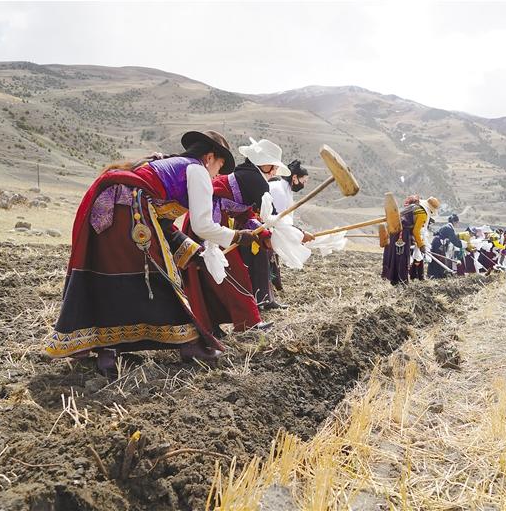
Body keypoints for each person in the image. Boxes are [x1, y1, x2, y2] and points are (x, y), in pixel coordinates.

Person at [47, 130, 256, 373]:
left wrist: (194, 253)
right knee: (160, 278)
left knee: (110, 279)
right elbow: (202, 225)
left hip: (114, 213)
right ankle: (189, 344)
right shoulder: (197, 170)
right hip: (131, 216)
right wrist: (237, 236)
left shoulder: (166, 166)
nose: (217, 174)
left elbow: (163, 225)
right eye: (219, 166)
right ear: (209, 157)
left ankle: (108, 351)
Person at [227, 138, 291, 310]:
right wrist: (294, 232)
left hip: (250, 223)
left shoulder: (247, 173)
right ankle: (255, 302)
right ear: (262, 163)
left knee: (263, 261)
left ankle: (264, 298)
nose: (275, 171)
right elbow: (272, 213)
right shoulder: (255, 179)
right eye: (273, 166)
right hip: (242, 225)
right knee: (250, 263)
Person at [268, 159, 315, 292]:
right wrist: (300, 234)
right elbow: (278, 220)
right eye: (303, 181)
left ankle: (273, 288)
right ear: (294, 178)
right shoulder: (279, 191)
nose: (304, 185)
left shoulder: (285, 190)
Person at [382, 195, 434, 284]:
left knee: (395, 255)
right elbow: (416, 231)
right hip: (403, 234)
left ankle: (393, 279)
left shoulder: (412, 208)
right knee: (403, 257)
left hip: (395, 231)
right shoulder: (423, 213)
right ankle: (402, 280)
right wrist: (421, 245)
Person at [427, 213, 462, 279]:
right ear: (454, 222)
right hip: (438, 243)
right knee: (438, 258)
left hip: (437, 242)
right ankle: (436, 275)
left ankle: (434, 274)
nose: (458, 224)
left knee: (438, 257)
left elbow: (436, 233)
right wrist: (461, 244)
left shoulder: (446, 226)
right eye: (457, 222)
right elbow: (454, 240)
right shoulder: (449, 228)